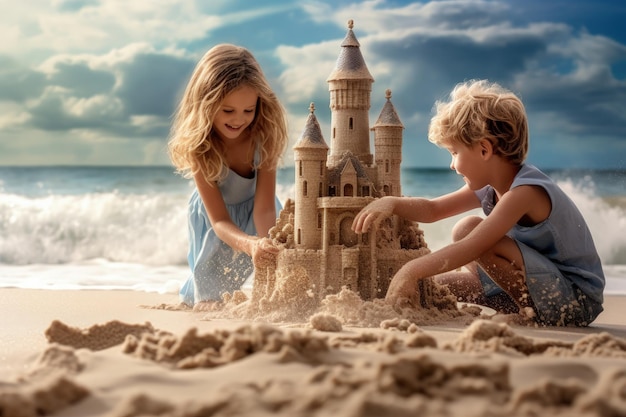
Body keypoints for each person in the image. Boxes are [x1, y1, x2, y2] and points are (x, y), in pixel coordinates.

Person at [352, 79, 605, 326]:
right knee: (433, 286)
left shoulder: (525, 192)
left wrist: (409, 270)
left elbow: (474, 245)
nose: (452, 164)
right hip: (542, 285)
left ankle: (528, 313)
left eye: (454, 153)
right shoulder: (490, 188)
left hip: (575, 299)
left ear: (484, 149)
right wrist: (390, 202)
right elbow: (433, 209)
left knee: (470, 234)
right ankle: (515, 303)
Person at [168, 44, 288, 307]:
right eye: (228, 110)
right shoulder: (200, 147)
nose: (238, 120)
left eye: (248, 110)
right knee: (209, 291)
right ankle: (196, 296)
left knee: (273, 262)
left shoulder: (263, 138)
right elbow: (219, 222)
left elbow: (265, 209)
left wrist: (263, 244)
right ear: (205, 104)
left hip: (258, 211)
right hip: (215, 221)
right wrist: (248, 244)